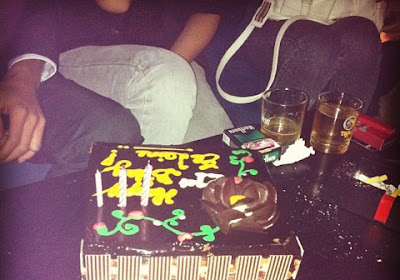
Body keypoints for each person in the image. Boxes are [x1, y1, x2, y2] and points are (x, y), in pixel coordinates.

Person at [1, 0, 233, 180]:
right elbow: (116, 5)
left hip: (168, 54)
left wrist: (172, 70)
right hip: (82, 47)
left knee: (220, 163)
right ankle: (121, 219)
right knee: (165, 78)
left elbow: (208, 11)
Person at [211, 0, 384, 127]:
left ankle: (341, 142)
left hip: (350, 15)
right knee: (316, 44)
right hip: (271, 18)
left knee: (363, 37)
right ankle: (276, 144)